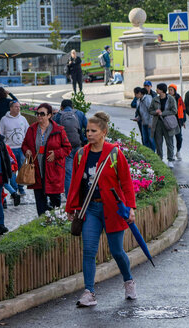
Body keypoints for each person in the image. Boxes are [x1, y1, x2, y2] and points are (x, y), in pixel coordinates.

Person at [65, 112, 137, 307]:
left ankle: (128, 281)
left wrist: (130, 207)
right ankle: (89, 292)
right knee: (88, 250)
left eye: (93, 131)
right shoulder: (81, 154)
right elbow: (75, 183)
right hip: (90, 209)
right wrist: (71, 206)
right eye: (87, 130)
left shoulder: (114, 153)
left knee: (117, 251)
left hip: (113, 209)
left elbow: (126, 182)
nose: (89, 134)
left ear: (104, 132)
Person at [21, 103, 72, 216]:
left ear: (49, 115)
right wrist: (26, 151)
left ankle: (56, 224)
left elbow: (68, 148)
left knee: (55, 202)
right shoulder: (32, 129)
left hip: (54, 171)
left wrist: (56, 153)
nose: (39, 116)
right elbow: (24, 145)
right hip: (37, 170)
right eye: (37, 113)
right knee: (40, 202)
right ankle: (42, 222)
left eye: (42, 114)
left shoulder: (58, 130)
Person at [53, 99, 86, 195]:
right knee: (81, 170)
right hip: (78, 146)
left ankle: (69, 198)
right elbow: (87, 127)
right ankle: (82, 194)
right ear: (72, 107)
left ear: (61, 107)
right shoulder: (79, 114)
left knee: (68, 173)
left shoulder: (58, 116)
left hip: (65, 148)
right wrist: (84, 140)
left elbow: (53, 132)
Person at [0, 100, 29, 204]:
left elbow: (27, 132)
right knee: (11, 171)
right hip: (9, 149)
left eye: (19, 107)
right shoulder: (4, 120)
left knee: (21, 169)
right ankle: (14, 191)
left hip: (21, 148)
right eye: (16, 107)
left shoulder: (23, 119)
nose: (18, 108)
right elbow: (1, 134)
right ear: (10, 108)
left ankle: (21, 188)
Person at [149, 83, 178, 167]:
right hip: (157, 123)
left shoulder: (171, 99)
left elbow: (174, 111)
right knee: (158, 142)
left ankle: (170, 159)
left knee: (169, 142)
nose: (156, 90)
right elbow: (150, 110)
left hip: (168, 123)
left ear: (161, 90)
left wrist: (163, 113)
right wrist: (156, 112)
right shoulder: (155, 99)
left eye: (157, 89)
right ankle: (160, 158)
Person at [133, 87, 155, 153]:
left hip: (149, 123)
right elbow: (140, 111)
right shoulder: (138, 101)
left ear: (139, 93)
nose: (135, 95)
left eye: (135, 94)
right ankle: (147, 154)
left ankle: (153, 153)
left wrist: (150, 123)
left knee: (151, 139)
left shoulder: (148, 99)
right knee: (145, 139)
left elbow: (151, 112)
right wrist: (138, 118)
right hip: (143, 122)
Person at [168, 84, 187, 161]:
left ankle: (178, 151)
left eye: (171, 90)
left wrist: (183, 121)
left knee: (179, 137)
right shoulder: (167, 98)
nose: (170, 91)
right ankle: (171, 153)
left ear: (174, 90)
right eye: (169, 90)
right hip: (170, 120)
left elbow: (183, 109)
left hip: (178, 120)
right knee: (170, 137)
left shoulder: (179, 98)